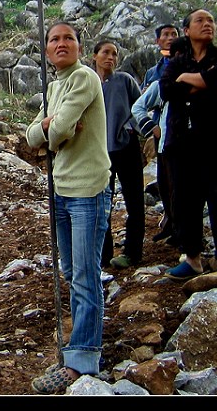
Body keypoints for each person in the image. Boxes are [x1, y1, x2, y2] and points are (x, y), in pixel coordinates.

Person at [25, 21, 112, 394]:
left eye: (68, 39)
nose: (61, 44)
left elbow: (55, 133)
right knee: (73, 268)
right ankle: (79, 345)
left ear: (79, 46)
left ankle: (82, 358)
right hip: (60, 189)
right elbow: (33, 136)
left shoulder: (84, 79)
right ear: (46, 50)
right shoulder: (54, 86)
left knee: (84, 273)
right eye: (54, 39)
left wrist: (52, 131)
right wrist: (51, 127)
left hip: (88, 190)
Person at [159, 9, 217, 280]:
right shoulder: (176, 63)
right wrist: (203, 81)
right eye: (200, 21)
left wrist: (190, 80)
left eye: (211, 20)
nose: (208, 24)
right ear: (187, 30)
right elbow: (168, 90)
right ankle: (192, 257)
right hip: (183, 142)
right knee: (184, 200)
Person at [92, 39, 145, 269]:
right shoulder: (89, 82)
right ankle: (103, 255)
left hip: (126, 146)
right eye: (106, 52)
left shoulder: (124, 80)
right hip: (99, 150)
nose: (110, 57)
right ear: (95, 56)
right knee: (102, 202)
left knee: (135, 201)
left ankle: (133, 253)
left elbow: (141, 105)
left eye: (114, 54)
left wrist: (131, 127)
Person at [139, 24, 180, 244]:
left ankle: (181, 229)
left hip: (181, 129)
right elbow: (144, 100)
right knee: (164, 180)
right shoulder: (153, 72)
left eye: (174, 34)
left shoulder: (184, 64)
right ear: (158, 41)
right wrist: (150, 127)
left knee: (178, 180)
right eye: (166, 35)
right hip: (160, 129)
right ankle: (171, 221)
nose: (170, 38)